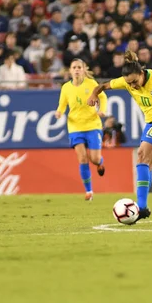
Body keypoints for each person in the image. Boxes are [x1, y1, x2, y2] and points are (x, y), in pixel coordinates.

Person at [87, 50, 152, 222]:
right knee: (146, 164)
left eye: (134, 82)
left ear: (142, 74)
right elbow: (103, 86)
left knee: (141, 155)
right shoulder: (126, 82)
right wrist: (94, 94)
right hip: (151, 124)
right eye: (129, 83)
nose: (132, 86)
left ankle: (141, 207)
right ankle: (143, 208)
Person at [55, 58, 107, 201]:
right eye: (74, 67)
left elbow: (102, 96)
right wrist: (59, 112)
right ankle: (89, 191)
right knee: (82, 158)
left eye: (79, 67)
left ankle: (100, 163)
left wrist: (102, 110)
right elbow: (62, 104)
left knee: (94, 159)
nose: (77, 69)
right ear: (70, 70)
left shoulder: (91, 84)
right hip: (75, 127)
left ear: (84, 69)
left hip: (92, 125)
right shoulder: (66, 87)